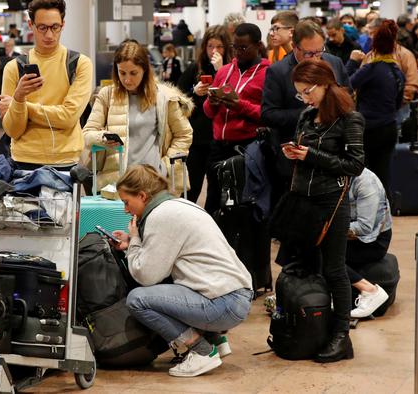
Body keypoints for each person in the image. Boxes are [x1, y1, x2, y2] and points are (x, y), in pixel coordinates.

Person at [111, 164, 252, 377]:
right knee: (168, 285)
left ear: (141, 195)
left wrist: (135, 240)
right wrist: (132, 242)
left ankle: (202, 352)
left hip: (224, 303)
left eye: (126, 202)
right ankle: (216, 341)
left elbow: (145, 276)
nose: (125, 210)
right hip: (234, 296)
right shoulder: (177, 205)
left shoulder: (161, 216)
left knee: (138, 299)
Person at [275, 59, 365, 363]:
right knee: (306, 265)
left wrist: (310, 155)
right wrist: (295, 154)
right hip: (302, 200)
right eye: (300, 94)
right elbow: (308, 156)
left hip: (331, 201)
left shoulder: (349, 119)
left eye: (308, 91)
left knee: (335, 270)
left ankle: (341, 336)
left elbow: (355, 165)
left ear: (326, 83)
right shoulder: (306, 115)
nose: (305, 98)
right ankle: (313, 330)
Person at [0, 0, 93, 170]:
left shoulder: (79, 64)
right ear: (31, 25)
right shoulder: (14, 68)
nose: (49, 34)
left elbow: (68, 118)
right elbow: (13, 131)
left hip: (66, 161)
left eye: (55, 27)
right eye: (42, 27)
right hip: (23, 160)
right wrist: (19, 96)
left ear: (62, 25)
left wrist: (22, 106)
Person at [82, 40, 193, 189]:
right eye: (122, 73)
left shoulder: (165, 97)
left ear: (145, 70)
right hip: (116, 182)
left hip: (152, 180)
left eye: (133, 73)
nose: (127, 79)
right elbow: (87, 134)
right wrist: (102, 138)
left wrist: (165, 166)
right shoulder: (107, 95)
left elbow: (184, 134)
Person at [262, 20, 351, 200]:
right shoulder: (278, 72)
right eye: (309, 53)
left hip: (332, 156)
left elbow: (348, 98)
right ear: (294, 47)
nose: (316, 58)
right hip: (294, 161)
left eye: (320, 51)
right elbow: (268, 114)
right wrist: (310, 113)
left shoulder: (334, 63)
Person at [202, 23, 270, 215]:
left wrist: (240, 106)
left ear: (257, 45)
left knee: (240, 203)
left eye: (243, 47)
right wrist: (212, 101)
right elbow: (208, 112)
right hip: (218, 145)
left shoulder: (268, 73)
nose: (238, 52)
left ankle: (240, 243)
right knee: (213, 199)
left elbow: (267, 114)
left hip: (246, 146)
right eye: (235, 47)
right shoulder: (224, 71)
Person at [346, 20, 405, 196]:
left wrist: (352, 62)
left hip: (369, 129)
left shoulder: (371, 69)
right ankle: (385, 212)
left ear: (374, 46)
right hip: (389, 127)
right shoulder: (397, 72)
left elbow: (345, 86)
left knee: (366, 176)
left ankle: (369, 215)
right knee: (384, 174)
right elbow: (398, 103)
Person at [177, 26, 232, 203]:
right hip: (197, 138)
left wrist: (221, 71)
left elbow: (235, 96)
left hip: (221, 139)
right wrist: (194, 91)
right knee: (191, 189)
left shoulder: (232, 69)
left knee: (217, 191)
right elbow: (177, 96)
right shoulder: (195, 68)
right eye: (210, 46)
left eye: (219, 46)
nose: (214, 51)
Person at [346, 167, 392, 318]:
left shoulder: (365, 181)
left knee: (321, 254)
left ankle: (370, 290)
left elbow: (365, 227)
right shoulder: (329, 177)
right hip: (346, 237)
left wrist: (328, 230)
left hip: (371, 242)